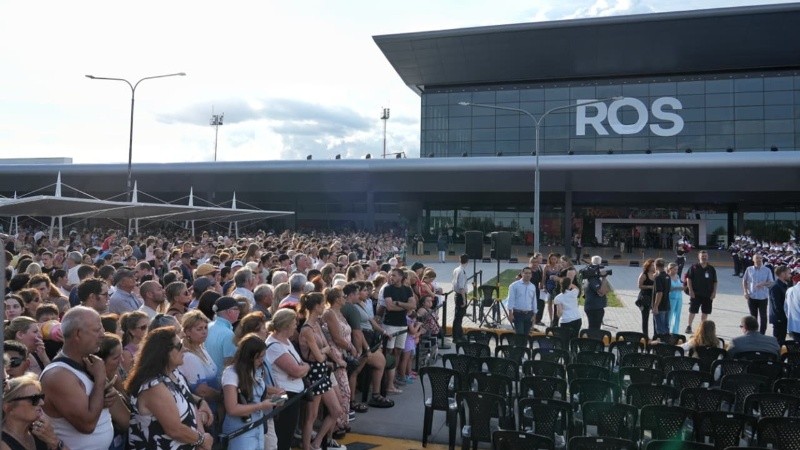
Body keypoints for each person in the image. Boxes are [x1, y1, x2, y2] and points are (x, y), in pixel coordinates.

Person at [125, 327, 213, 450]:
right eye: (179, 346)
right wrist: (202, 440)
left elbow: (189, 403)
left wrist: (201, 437)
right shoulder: (153, 387)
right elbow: (175, 430)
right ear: (163, 352)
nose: (185, 349)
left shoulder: (174, 372)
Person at [39, 306, 114, 450]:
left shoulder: (89, 363)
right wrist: (99, 380)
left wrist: (106, 397)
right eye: (97, 330)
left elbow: (92, 404)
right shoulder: (58, 376)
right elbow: (87, 425)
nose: (103, 334)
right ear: (78, 334)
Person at [298, 293, 346, 450]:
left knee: (336, 410)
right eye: (323, 304)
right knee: (311, 416)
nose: (325, 306)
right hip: (314, 372)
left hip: (322, 370)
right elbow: (319, 356)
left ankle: (317, 442)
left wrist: (330, 355)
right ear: (317, 306)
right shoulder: (307, 329)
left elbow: (325, 348)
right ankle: (307, 446)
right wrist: (324, 350)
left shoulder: (316, 325)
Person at [221, 334, 276, 450]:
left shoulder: (255, 371)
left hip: (258, 426)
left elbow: (259, 396)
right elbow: (232, 408)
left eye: (263, 356)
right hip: (240, 430)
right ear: (249, 356)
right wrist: (261, 405)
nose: (262, 360)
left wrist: (275, 399)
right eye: (259, 357)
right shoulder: (231, 373)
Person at [265, 309, 309, 450]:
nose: (296, 325)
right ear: (286, 325)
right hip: (284, 396)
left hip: (293, 394)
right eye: (294, 322)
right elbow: (296, 370)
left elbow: (301, 365)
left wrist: (303, 368)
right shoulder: (275, 346)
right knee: (283, 432)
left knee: (288, 432)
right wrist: (302, 369)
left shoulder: (286, 342)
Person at [2, 373, 65, 450]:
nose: (42, 402)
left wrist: (54, 441)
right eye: (34, 399)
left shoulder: (40, 432)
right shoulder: (3, 444)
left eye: (41, 397)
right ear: (8, 407)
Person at [178, 311, 220, 423]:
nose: (204, 332)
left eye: (205, 328)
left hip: (213, 408)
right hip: (203, 413)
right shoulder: (188, 356)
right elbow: (202, 391)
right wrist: (223, 397)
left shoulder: (201, 347)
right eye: (199, 329)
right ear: (187, 331)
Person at [93, 333, 131, 450]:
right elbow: (127, 422)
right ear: (99, 361)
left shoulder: (115, 375)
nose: (122, 360)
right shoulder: (99, 385)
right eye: (116, 358)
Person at [205, 297, 240, 380]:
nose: (239, 312)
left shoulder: (208, 326)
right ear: (229, 312)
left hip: (209, 378)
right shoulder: (228, 334)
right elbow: (229, 363)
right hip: (220, 383)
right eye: (236, 309)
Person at [684, 250, 717, 334]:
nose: (704, 257)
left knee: (705, 312)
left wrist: (714, 292)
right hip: (696, 294)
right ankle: (689, 326)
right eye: (702, 256)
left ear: (707, 257)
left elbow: (715, 281)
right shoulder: (694, 267)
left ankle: (702, 328)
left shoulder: (711, 268)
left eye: (705, 256)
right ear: (699, 257)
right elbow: (688, 279)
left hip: (708, 294)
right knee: (692, 310)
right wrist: (690, 290)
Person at [743, 254, 774, 335]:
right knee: (753, 317)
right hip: (752, 296)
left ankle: (762, 333)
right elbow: (744, 281)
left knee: (763, 316)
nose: (759, 260)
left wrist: (763, 283)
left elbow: (771, 282)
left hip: (762, 297)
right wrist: (745, 292)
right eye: (757, 258)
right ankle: (753, 333)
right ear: (753, 260)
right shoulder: (749, 269)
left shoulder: (767, 270)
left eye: (760, 258)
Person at [506, 267, 537, 336]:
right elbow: (511, 299)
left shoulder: (533, 286)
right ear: (522, 274)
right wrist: (510, 313)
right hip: (518, 314)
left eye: (529, 273)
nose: (528, 275)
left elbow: (534, 301)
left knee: (526, 336)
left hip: (529, 314)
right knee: (519, 335)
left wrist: (534, 315)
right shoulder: (514, 286)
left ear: (531, 275)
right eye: (526, 273)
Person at [583, 256, 609, 330]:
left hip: (595, 306)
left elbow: (606, 290)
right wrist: (604, 278)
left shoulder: (592, 276)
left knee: (594, 328)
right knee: (594, 329)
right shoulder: (593, 278)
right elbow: (602, 292)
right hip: (594, 308)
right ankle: (592, 341)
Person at [119, 311, 149, 376]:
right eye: (143, 327)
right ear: (132, 331)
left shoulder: (149, 345)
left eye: (149, 326)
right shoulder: (126, 353)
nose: (148, 330)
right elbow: (126, 378)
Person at [769, 265, 792, 344]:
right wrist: (784, 316)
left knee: (782, 340)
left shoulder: (784, 285)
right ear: (783, 274)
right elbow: (777, 305)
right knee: (778, 342)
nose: (790, 275)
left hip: (783, 318)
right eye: (789, 273)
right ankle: (776, 356)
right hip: (779, 319)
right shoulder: (775, 286)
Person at [451, 254, 469, 342]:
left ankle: (459, 334)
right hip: (461, 295)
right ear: (467, 261)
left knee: (458, 316)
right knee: (458, 317)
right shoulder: (462, 271)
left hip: (456, 294)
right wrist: (464, 300)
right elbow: (461, 287)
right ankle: (456, 337)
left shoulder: (456, 269)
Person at [636, 259, 656, 338]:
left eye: (654, 265)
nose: (654, 267)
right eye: (652, 265)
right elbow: (639, 286)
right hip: (645, 297)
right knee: (645, 317)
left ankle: (656, 335)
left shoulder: (656, 274)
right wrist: (650, 287)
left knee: (655, 317)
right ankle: (645, 336)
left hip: (654, 297)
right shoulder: (644, 274)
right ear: (648, 266)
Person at [651, 259, 671, 337]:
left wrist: (655, 306)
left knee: (660, 329)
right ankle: (667, 345)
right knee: (666, 328)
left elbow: (659, 293)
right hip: (667, 304)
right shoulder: (667, 276)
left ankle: (661, 347)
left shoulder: (658, 277)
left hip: (660, 306)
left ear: (656, 266)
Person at [667, 263, 684, 334]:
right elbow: (668, 288)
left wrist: (683, 287)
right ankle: (667, 331)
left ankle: (675, 332)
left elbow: (681, 285)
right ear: (670, 269)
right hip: (671, 298)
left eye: (677, 269)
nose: (676, 271)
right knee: (669, 315)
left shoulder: (677, 276)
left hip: (679, 298)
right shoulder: (667, 277)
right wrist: (678, 288)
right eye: (675, 269)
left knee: (677, 315)